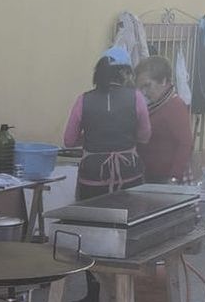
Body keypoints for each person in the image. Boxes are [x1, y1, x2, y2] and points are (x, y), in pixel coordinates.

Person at [63, 46, 152, 200]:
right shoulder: (136, 98)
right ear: (123, 72)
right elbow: (145, 136)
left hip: (93, 177)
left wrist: (92, 137)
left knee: (94, 221)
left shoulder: (83, 100)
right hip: (128, 174)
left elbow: (69, 141)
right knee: (129, 219)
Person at [136, 55, 194, 185]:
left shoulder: (175, 105)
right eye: (141, 88)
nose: (144, 92)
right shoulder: (153, 105)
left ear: (163, 81)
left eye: (147, 86)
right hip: (151, 175)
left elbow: (185, 143)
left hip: (168, 178)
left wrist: (174, 177)